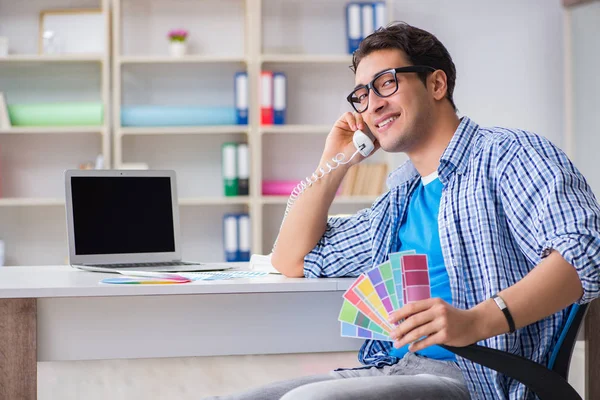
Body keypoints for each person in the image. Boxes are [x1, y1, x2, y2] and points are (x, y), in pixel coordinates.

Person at [207, 22, 600, 400]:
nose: (373, 104)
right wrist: (336, 160)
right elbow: (292, 258)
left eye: (387, 83)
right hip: (393, 369)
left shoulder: (508, 156)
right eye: (362, 94)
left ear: (436, 83)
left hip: (477, 378)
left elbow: (585, 252)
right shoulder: (399, 197)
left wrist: (476, 321)